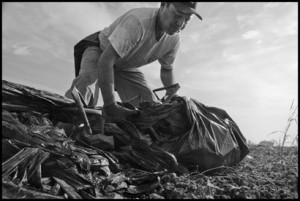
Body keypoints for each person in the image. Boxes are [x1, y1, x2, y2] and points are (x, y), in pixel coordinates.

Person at [65, 2, 202, 119]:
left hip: (125, 64)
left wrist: (172, 93)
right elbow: (106, 60)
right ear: (164, 4)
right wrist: (110, 105)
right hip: (101, 50)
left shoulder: (174, 39)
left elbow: (167, 69)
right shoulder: (138, 21)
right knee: (86, 81)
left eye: (187, 20)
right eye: (178, 15)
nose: (180, 23)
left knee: (148, 103)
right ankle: (61, 125)